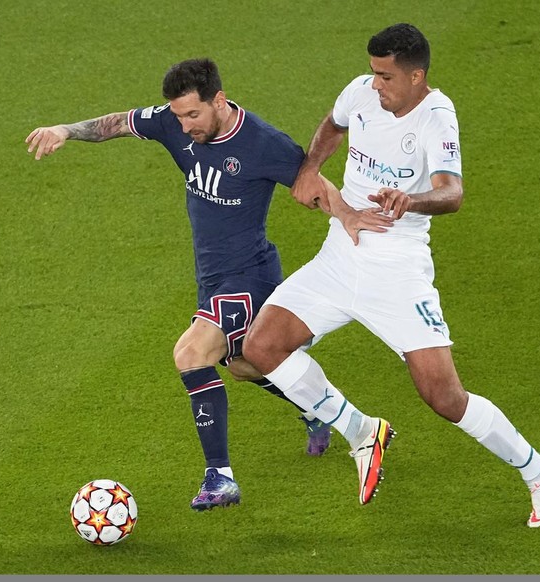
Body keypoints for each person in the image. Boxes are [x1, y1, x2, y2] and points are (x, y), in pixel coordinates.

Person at [243, 24, 540, 527]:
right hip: (339, 256)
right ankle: (360, 431)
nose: (376, 86)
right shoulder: (363, 91)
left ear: (417, 76)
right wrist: (310, 168)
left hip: (397, 271)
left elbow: (452, 193)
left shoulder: (438, 117)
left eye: (386, 77)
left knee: (444, 397)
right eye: (373, 74)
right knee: (261, 347)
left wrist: (408, 199)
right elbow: (334, 123)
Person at [25, 59, 341, 511]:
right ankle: (316, 407)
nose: (184, 125)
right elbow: (117, 124)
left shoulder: (263, 143)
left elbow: (317, 187)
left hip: (251, 277)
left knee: (191, 353)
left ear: (218, 100)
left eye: (193, 115)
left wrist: (356, 225)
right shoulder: (174, 125)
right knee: (244, 365)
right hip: (213, 279)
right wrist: (65, 130)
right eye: (177, 116)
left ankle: (221, 479)